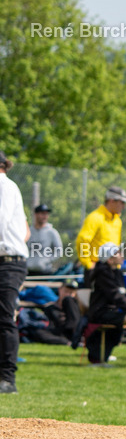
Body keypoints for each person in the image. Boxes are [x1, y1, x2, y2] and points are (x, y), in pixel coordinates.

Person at [85, 243, 126, 367]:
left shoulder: (116, 272)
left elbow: (122, 296)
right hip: (100, 312)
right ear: (110, 259)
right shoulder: (102, 273)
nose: (122, 255)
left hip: (113, 312)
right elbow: (116, 296)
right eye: (117, 253)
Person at [0, 151, 29, 394]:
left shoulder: (3, 185)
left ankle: (7, 379)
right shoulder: (11, 187)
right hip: (10, 258)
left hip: (8, 262)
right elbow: (25, 230)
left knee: (4, 317)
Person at [76, 186, 126, 287]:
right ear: (112, 201)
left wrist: (117, 265)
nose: (123, 207)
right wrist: (88, 264)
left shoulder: (117, 221)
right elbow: (82, 240)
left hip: (113, 269)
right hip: (97, 270)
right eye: (122, 202)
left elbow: (117, 245)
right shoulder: (95, 217)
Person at [27, 204, 62, 275]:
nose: (45, 216)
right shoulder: (28, 231)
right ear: (36, 214)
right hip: (28, 271)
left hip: (45, 272)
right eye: (42, 214)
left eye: (46, 214)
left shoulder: (52, 232)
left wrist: (47, 260)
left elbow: (59, 251)